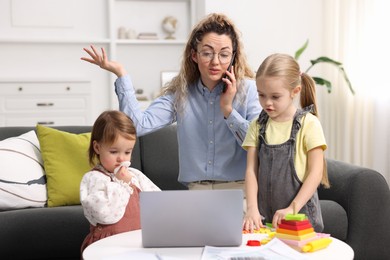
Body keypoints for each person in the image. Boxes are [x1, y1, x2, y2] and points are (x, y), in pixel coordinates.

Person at [81, 13, 261, 193]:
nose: (215, 62)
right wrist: (121, 74)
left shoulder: (250, 91)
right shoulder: (180, 94)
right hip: (198, 192)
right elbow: (137, 126)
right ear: (194, 55)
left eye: (224, 55)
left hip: (241, 191)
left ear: (233, 57)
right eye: (207, 53)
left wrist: (228, 110)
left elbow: (260, 142)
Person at [242, 53, 330, 233]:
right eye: (261, 95)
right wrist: (252, 208)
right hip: (267, 221)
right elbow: (251, 170)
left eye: (275, 97)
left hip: (301, 220)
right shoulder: (257, 125)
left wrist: (293, 207)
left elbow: (316, 172)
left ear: (294, 92)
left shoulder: (309, 124)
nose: (267, 103)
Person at [80, 110, 160, 254]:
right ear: (97, 147)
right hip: (107, 246)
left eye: (127, 152)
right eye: (114, 152)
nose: (121, 159)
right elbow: (105, 214)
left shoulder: (135, 175)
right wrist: (122, 184)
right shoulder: (93, 179)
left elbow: (159, 203)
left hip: (136, 243)